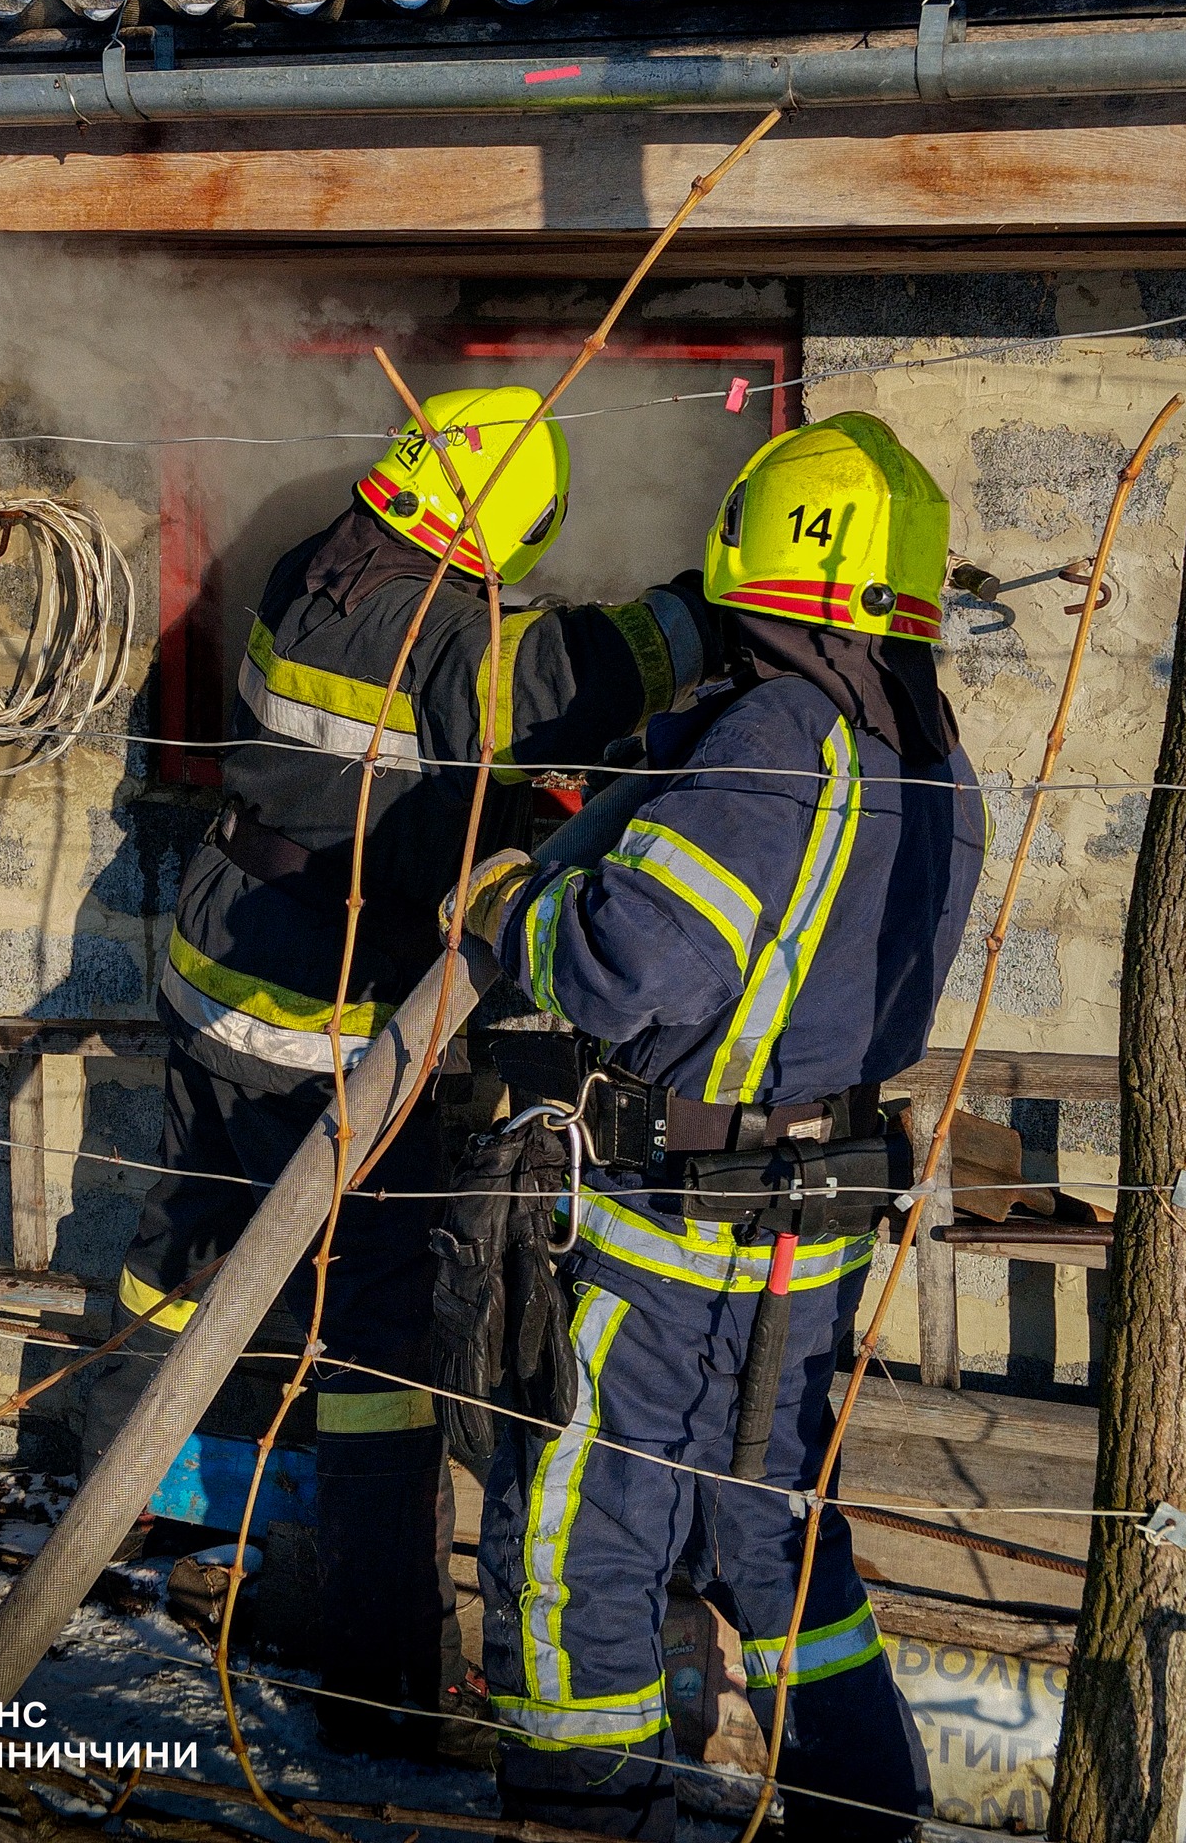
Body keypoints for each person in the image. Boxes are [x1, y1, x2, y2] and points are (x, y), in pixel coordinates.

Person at [81, 384, 723, 1760]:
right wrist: (717, 608)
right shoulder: (431, 622)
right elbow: (563, 678)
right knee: (374, 1357)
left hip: (218, 972)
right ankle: (375, 1692)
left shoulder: (322, 556)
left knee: (186, 1243)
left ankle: (132, 1491)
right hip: (327, 1028)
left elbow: (381, 763)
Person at [450, 411, 986, 1836]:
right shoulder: (925, 744)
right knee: (769, 1526)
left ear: (750, 559)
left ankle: (576, 1802)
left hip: (669, 1229)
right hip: (808, 1233)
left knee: (579, 1523)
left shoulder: (769, 732)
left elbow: (640, 967)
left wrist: (514, 903)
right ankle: (861, 1806)